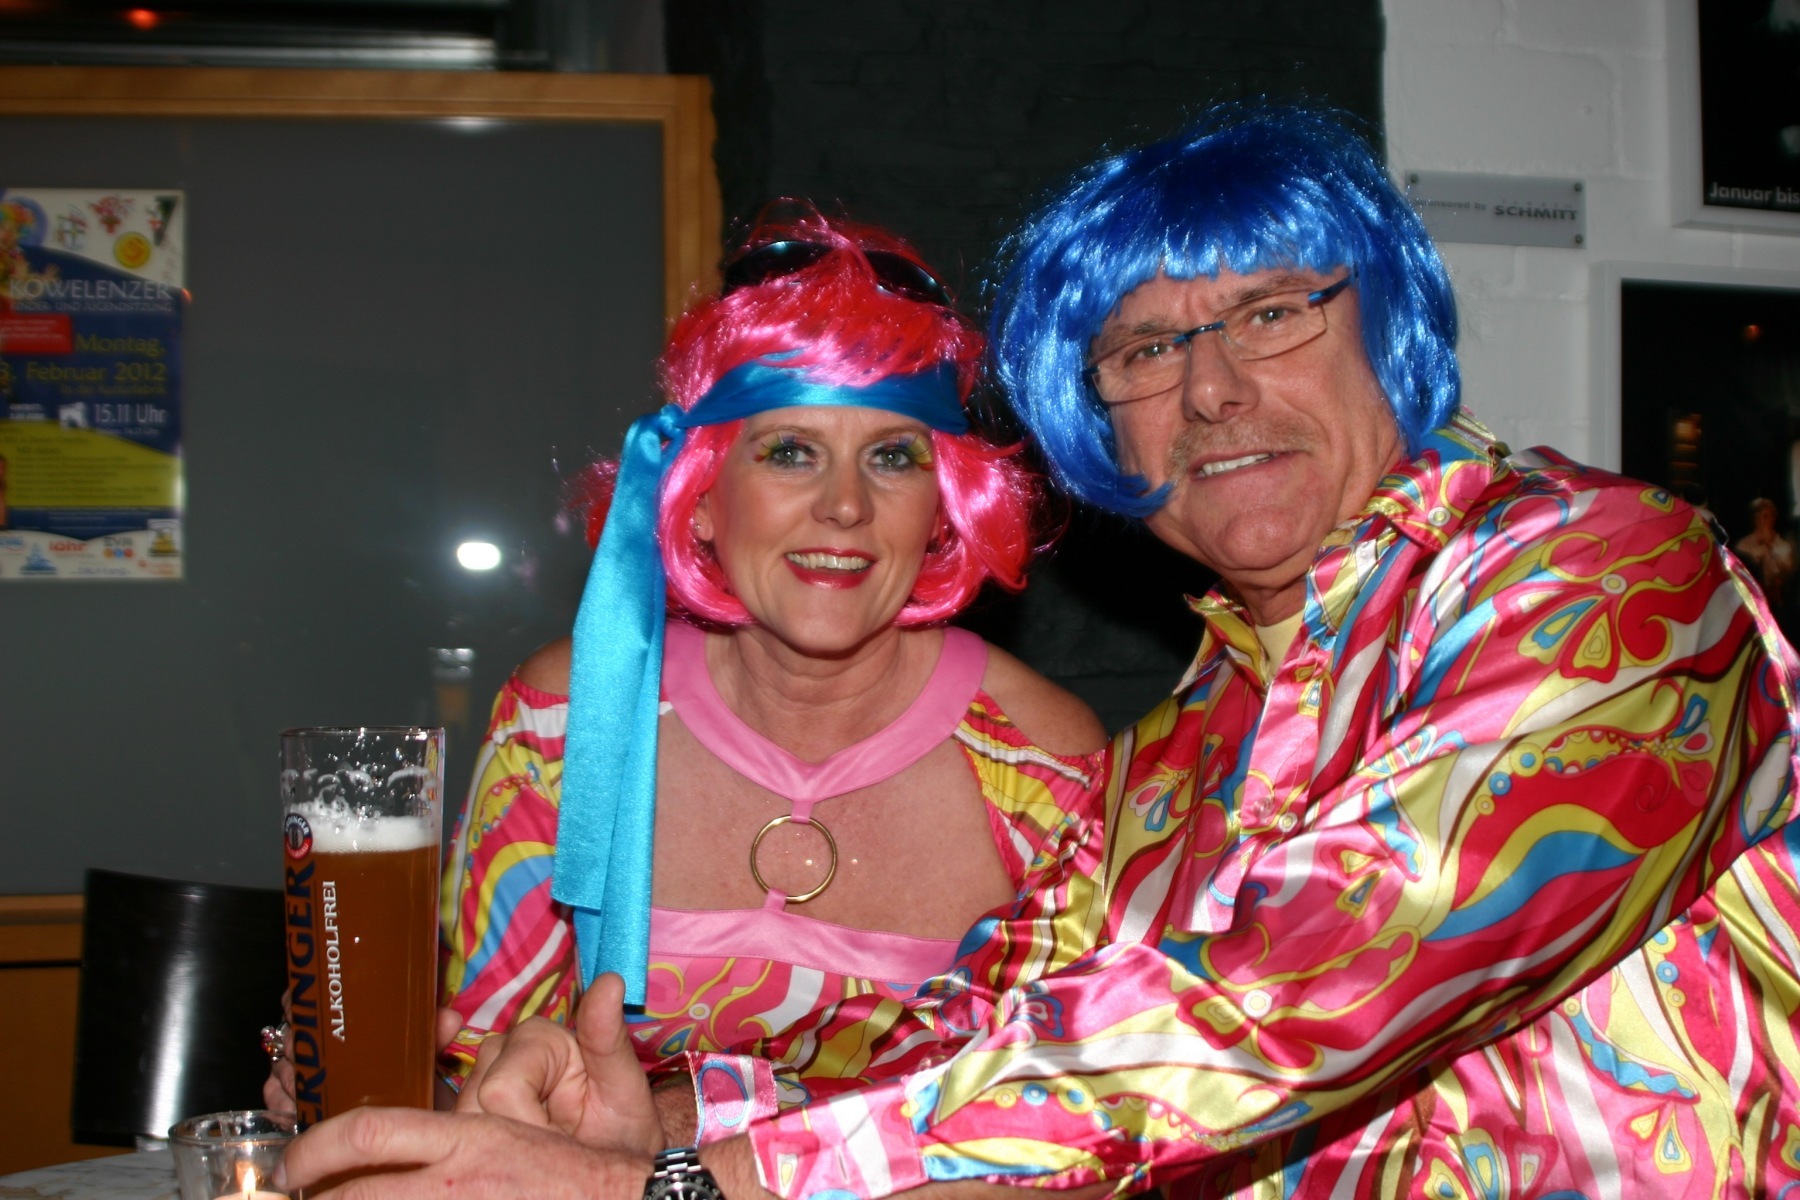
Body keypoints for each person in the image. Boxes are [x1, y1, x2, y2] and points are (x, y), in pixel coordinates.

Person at [280, 105, 1800, 1200]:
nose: (1212, 390)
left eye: (1271, 313)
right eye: (1144, 351)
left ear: (1387, 326)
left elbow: (1283, 1000)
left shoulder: (1603, 581)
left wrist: (682, 1192)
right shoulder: (1181, 748)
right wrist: (664, 1119)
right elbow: (975, 1035)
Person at [264, 208, 1105, 1112]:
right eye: (791, 452)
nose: (846, 506)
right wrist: (375, 1086)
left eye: (892, 458)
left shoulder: (1040, 760)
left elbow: (1072, 1113)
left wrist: (690, 1122)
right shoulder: (571, 719)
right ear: (701, 496)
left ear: (943, 509)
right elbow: (485, 1075)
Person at [1735, 495, 1795, 610]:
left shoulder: (1783, 544)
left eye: (1765, 516)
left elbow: (1787, 569)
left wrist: (1769, 546)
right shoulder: (1743, 544)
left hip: (1781, 601)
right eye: (1757, 516)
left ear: (1773, 518)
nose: (1761, 521)